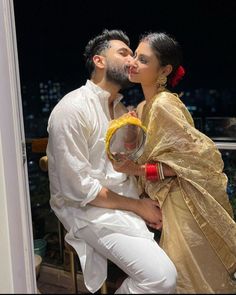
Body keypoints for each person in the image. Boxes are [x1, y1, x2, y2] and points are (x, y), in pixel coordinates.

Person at [46, 29, 177, 294]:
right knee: (162, 279)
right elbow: (79, 189)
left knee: (183, 246)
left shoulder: (119, 110)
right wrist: (138, 207)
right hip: (88, 211)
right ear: (99, 61)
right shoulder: (71, 108)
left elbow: (120, 166)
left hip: (123, 202)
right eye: (124, 53)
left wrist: (131, 140)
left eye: (135, 55)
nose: (132, 61)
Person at [110, 31, 236, 293]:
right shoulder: (146, 106)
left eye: (143, 60)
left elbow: (195, 160)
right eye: (135, 55)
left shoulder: (164, 104)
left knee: (190, 277)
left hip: (184, 205)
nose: (133, 62)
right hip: (167, 204)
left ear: (164, 70)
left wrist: (137, 169)